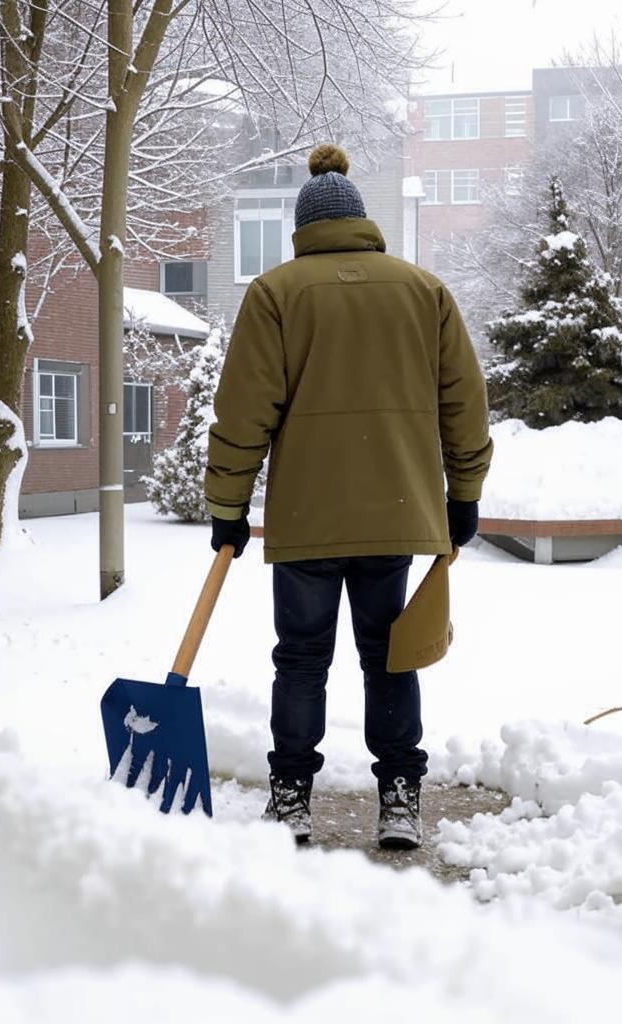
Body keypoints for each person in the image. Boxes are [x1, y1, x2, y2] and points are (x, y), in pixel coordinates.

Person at [204, 143, 492, 849]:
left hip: (307, 517)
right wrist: (465, 492)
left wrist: (228, 507)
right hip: (396, 512)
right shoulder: (424, 292)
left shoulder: (275, 294)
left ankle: (292, 799)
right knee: (390, 655)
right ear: (364, 222)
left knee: (301, 659)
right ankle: (398, 798)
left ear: (301, 231)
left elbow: (243, 415)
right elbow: (465, 404)